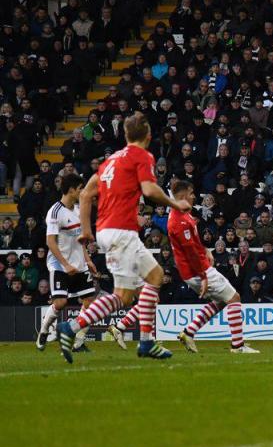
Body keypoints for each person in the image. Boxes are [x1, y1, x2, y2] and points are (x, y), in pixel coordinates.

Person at [57, 113, 193, 363]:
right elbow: (150, 189)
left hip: (107, 231)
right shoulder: (142, 155)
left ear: (126, 134)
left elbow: (86, 194)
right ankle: (75, 328)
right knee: (125, 294)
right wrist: (176, 203)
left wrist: (87, 231)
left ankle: (144, 341)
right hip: (122, 231)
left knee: (147, 281)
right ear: (149, 135)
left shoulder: (110, 161)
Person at [167, 179, 258, 354]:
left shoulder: (182, 214)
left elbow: (193, 244)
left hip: (194, 270)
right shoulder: (179, 221)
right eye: (192, 193)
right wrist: (204, 277)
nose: (194, 197)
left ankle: (189, 332)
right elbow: (191, 253)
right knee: (234, 298)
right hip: (197, 271)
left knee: (221, 301)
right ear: (184, 195)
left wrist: (206, 250)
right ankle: (237, 345)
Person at [36, 174, 99, 353]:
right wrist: (65, 264)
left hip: (79, 263)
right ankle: (44, 330)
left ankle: (78, 341)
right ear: (71, 190)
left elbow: (81, 240)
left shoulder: (80, 210)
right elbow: (50, 242)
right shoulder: (55, 211)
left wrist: (88, 260)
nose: (83, 192)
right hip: (59, 263)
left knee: (90, 302)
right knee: (61, 303)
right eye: (80, 188)